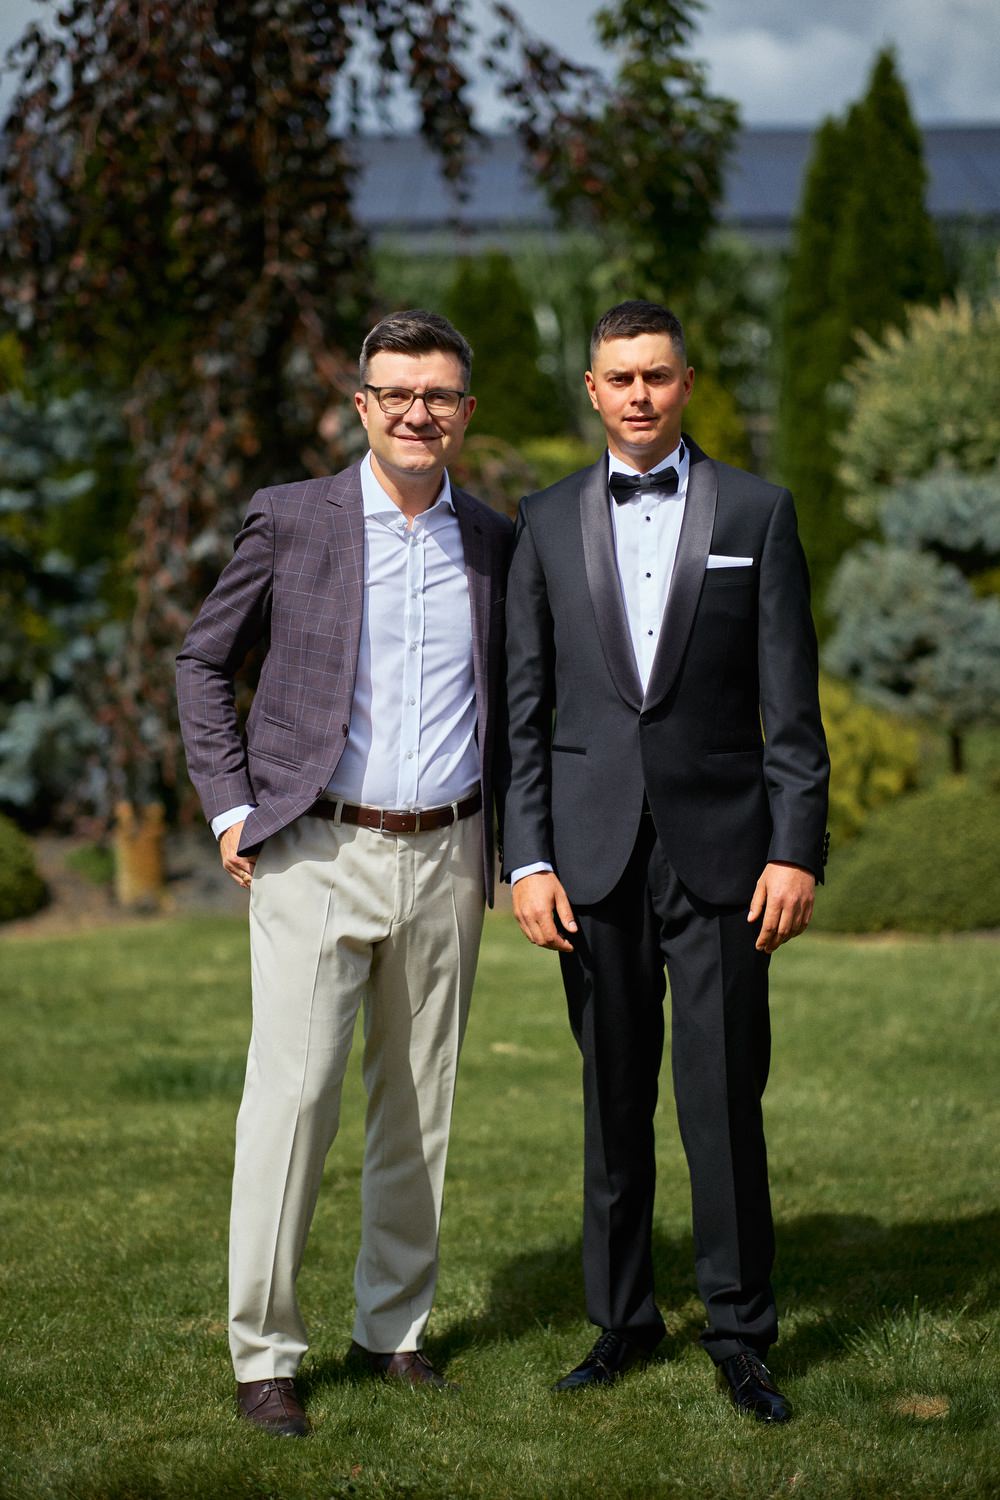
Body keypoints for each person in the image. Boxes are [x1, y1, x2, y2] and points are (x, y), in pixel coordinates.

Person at [176, 310, 512, 1437]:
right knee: (294, 1102)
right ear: (361, 405)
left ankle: (392, 1332)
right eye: (397, 393)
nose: (419, 413)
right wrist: (232, 807)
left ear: (466, 411)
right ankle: (264, 1355)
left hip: (450, 852)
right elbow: (203, 660)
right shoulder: (292, 518)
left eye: (440, 395)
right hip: (316, 850)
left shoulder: (494, 541)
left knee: (419, 1105)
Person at [503, 300, 829, 1423]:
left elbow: (792, 706)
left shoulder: (758, 511)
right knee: (611, 1100)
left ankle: (739, 1334)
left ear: (685, 383)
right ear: (592, 391)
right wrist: (526, 859)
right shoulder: (543, 520)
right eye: (619, 377)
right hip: (588, 860)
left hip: (727, 859)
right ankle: (622, 1322)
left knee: (722, 1101)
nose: (638, 393)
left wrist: (795, 849)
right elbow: (525, 713)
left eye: (656, 375)